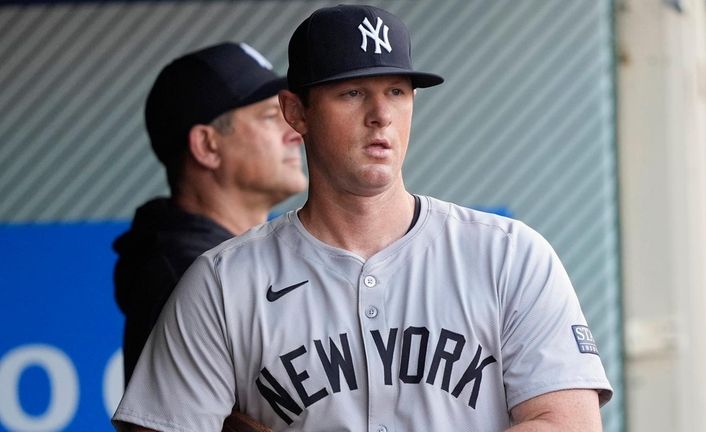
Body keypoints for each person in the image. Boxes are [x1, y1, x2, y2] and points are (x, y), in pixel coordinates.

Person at [112, 5, 612, 431]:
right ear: (296, 113)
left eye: (397, 91)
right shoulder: (220, 282)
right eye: (351, 93)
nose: (381, 114)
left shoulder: (509, 254)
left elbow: (567, 421)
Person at [113, 41, 307, 385]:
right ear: (206, 146)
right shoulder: (186, 277)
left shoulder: (235, 260)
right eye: (269, 117)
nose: (295, 133)